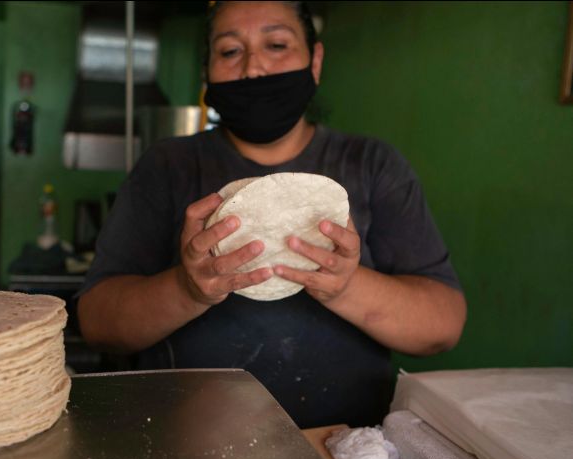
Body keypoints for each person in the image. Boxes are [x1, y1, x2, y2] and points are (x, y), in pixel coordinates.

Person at [77, 1, 466, 428]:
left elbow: (442, 324)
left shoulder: (372, 165)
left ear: (314, 61)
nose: (253, 68)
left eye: (277, 44)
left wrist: (344, 286)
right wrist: (187, 290)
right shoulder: (167, 167)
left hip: (344, 450)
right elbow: (97, 321)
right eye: (229, 51)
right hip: (186, 441)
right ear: (206, 71)